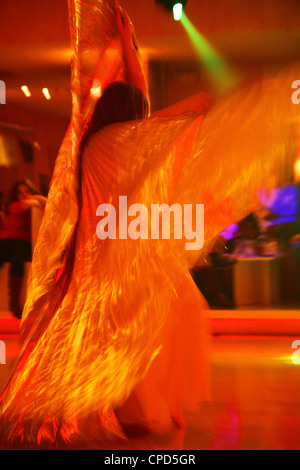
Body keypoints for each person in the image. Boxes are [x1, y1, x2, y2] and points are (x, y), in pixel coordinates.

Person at [0, 1, 297, 448]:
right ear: (125, 115)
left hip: (121, 258)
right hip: (110, 267)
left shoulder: (106, 140)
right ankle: (133, 408)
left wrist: (128, 46)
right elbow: (151, 120)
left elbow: (143, 112)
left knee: (172, 315)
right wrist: (191, 103)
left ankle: (147, 405)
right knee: (142, 328)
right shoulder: (107, 142)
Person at [0, 179, 47, 318]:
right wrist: (34, 197)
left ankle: (14, 302)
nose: (23, 195)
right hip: (8, 241)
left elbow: (48, 202)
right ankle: (13, 303)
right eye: (20, 192)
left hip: (22, 243)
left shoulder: (29, 206)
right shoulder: (14, 205)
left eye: (26, 191)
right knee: (14, 257)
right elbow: (30, 203)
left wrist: (35, 197)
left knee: (17, 258)